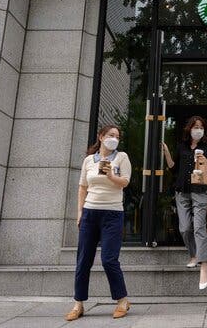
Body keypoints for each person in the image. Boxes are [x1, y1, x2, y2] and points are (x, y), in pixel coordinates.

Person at [65, 125, 132, 321]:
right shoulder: (88, 161)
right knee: (83, 259)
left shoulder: (122, 158)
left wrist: (112, 175)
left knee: (109, 259)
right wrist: (80, 212)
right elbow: (82, 188)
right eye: (111, 135)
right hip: (90, 213)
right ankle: (78, 303)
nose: (114, 138)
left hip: (112, 214)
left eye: (117, 136)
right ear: (101, 137)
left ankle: (122, 300)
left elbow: (126, 182)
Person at [162, 116, 207, 290]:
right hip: (182, 191)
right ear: (189, 129)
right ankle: (193, 255)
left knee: (199, 226)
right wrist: (166, 152)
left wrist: (204, 159)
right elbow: (173, 167)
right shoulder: (182, 146)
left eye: (201, 127)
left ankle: (204, 266)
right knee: (185, 228)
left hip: (200, 191)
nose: (198, 130)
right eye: (195, 127)